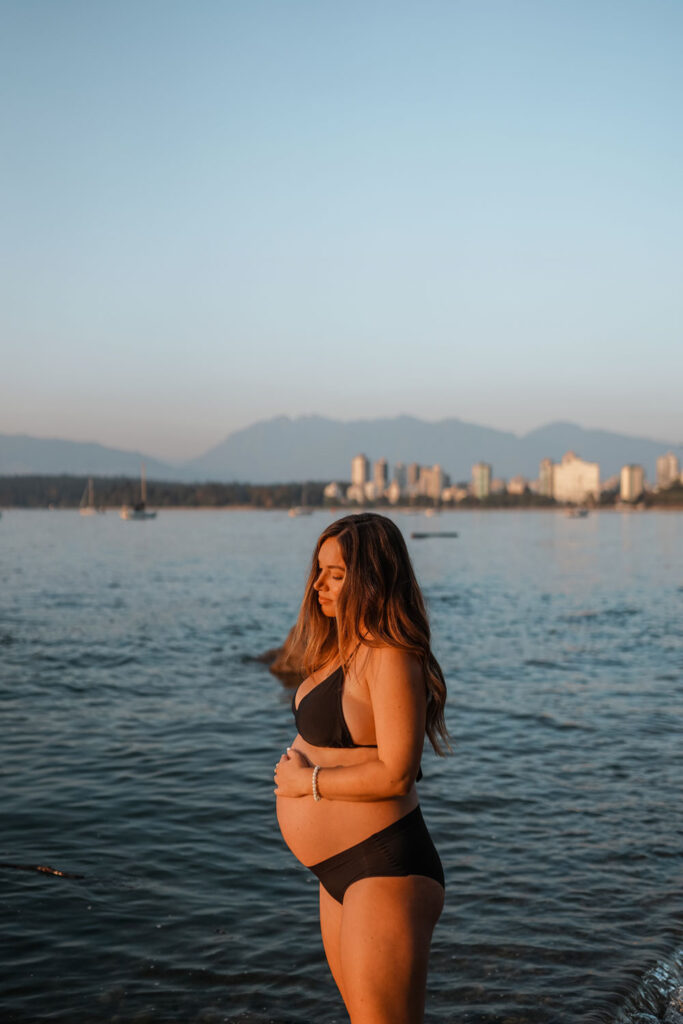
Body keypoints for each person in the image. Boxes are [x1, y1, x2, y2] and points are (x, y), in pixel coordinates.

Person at [274, 512, 449, 1024]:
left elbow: (397, 771)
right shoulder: (338, 651)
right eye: (318, 570)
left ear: (371, 578)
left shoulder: (390, 654)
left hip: (383, 867)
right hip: (339, 873)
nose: (318, 584)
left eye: (336, 574)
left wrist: (308, 782)